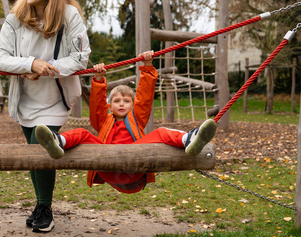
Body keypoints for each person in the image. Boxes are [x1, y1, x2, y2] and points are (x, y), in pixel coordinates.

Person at [0, 0, 91, 233]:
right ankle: (39, 204)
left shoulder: (69, 15)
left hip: (55, 98)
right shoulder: (16, 17)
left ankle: (45, 207)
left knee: (40, 149)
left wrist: (46, 68)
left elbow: (81, 57)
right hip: (25, 98)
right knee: (34, 155)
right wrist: (29, 63)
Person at [35, 51, 218, 194]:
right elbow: (97, 107)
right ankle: (58, 143)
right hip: (107, 166)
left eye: (126, 101)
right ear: (110, 106)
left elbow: (144, 98)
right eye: (117, 101)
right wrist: (98, 80)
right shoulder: (104, 121)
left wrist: (147, 66)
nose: (121, 104)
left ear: (132, 104)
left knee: (161, 131)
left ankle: (190, 139)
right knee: (83, 133)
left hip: (135, 165)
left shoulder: (136, 119)